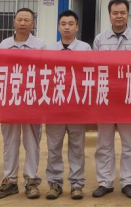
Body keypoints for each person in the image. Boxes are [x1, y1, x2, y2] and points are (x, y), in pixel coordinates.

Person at [0, 8, 46, 201]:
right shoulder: (4, 45)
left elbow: (44, 71)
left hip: (32, 100)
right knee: (10, 142)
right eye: (19, 19)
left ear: (33, 24)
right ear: (14, 22)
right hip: (10, 100)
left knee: (32, 142)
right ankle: (9, 181)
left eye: (27, 20)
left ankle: (31, 181)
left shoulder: (40, 45)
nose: (22, 23)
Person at [92, 0, 131, 199]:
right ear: (109, 15)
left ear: (128, 14)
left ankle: (128, 182)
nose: (119, 16)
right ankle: (105, 182)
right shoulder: (100, 39)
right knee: (104, 143)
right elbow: (94, 68)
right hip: (106, 98)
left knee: (129, 144)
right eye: (115, 13)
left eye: (122, 12)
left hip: (128, 98)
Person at [45, 10, 92, 201]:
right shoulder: (49, 50)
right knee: (53, 147)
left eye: (71, 24)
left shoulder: (85, 48)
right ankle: (54, 183)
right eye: (63, 24)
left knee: (77, 147)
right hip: (55, 107)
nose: (67, 27)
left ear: (77, 27)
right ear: (58, 27)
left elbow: (90, 75)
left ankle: (77, 184)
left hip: (76, 107)